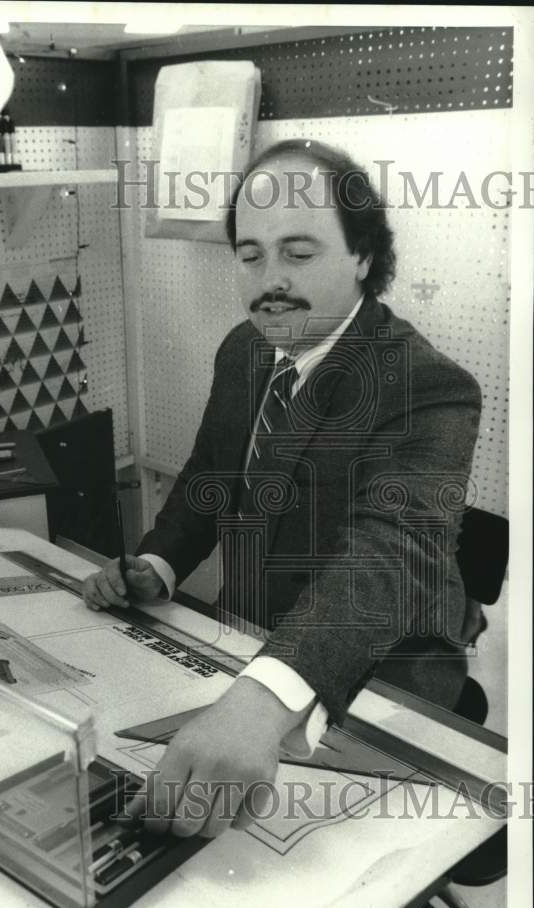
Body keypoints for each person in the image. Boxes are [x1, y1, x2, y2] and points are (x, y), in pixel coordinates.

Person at [83, 138, 482, 839]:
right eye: (250, 254)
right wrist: (158, 564)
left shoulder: (429, 385)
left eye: (299, 254)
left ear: (363, 256)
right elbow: (209, 479)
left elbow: (390, 554)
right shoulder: (244, 348)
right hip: (251, 644)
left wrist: (264, 700)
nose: (271, 279)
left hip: (385, 674)